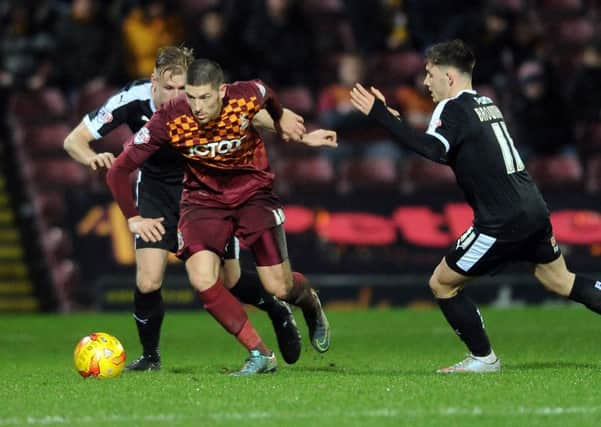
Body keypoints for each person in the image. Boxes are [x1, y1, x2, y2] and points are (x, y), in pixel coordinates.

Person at [350, 39, 601, 373]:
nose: (426, 82)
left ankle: (484, 359)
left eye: (430, 74)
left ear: (449, 77)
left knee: (441, 283)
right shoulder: (485, 103)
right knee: (561, 281)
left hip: (502, 219)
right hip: (533, 207)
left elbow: (434, 151)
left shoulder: (451, 107)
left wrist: (380, 115)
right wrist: (397, 122)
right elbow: (451, 145)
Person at [64, 47, 309, 372]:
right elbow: (74, 141)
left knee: (231, 279)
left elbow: (249, 111)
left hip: (205, 190)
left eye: (185, 89)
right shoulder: (130, 100)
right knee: (148, 280)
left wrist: (287, 123)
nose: (179, 97)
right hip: (155, 190)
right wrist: (91, 158)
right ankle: (151, 357)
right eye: (170, 89)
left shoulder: (200, 102)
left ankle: (277, 310)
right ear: (154, 82)